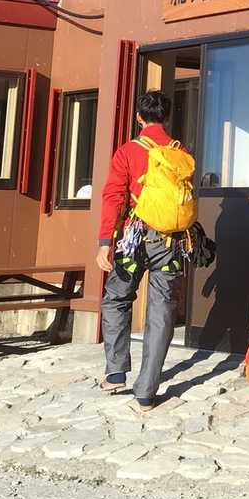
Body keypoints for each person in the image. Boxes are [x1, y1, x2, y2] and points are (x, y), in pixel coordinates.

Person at [96, 90, 189, 410]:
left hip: (134, 238)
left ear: (138, 117)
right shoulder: (179, 151)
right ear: (167, 117)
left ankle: (116, 371)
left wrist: (105, 242)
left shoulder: (128, 151)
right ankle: (147, 391)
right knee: (161, 312)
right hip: (170, 240)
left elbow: (113, 197)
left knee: (116, 299)